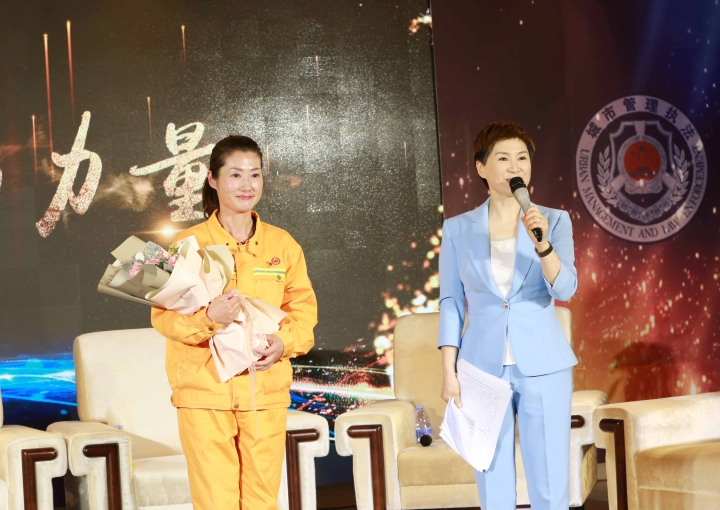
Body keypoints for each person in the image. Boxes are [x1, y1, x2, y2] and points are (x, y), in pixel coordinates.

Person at [151, 135, 317, 510]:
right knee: (216, 501)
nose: (247, 185)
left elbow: (303, 311)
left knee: (262, 500)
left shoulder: (283, 245)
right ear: (213, 179)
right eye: (236, 174)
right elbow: (163, 317)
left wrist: (284, 343)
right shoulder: (186, 243)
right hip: (204, 393)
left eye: (255, 175)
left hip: (264, 392)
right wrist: (209, 318)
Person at [438, 121, 578, 510]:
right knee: (492, 477)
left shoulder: (554, 220)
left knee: (549, 478)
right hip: (481, 369)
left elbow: (565, 289)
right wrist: (449, 372)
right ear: (481, 167)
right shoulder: (457, 229)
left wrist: (543, 244)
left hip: (544, 365)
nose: (515, 166)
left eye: (522, 158)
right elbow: (451, 302)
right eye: (503, 158)